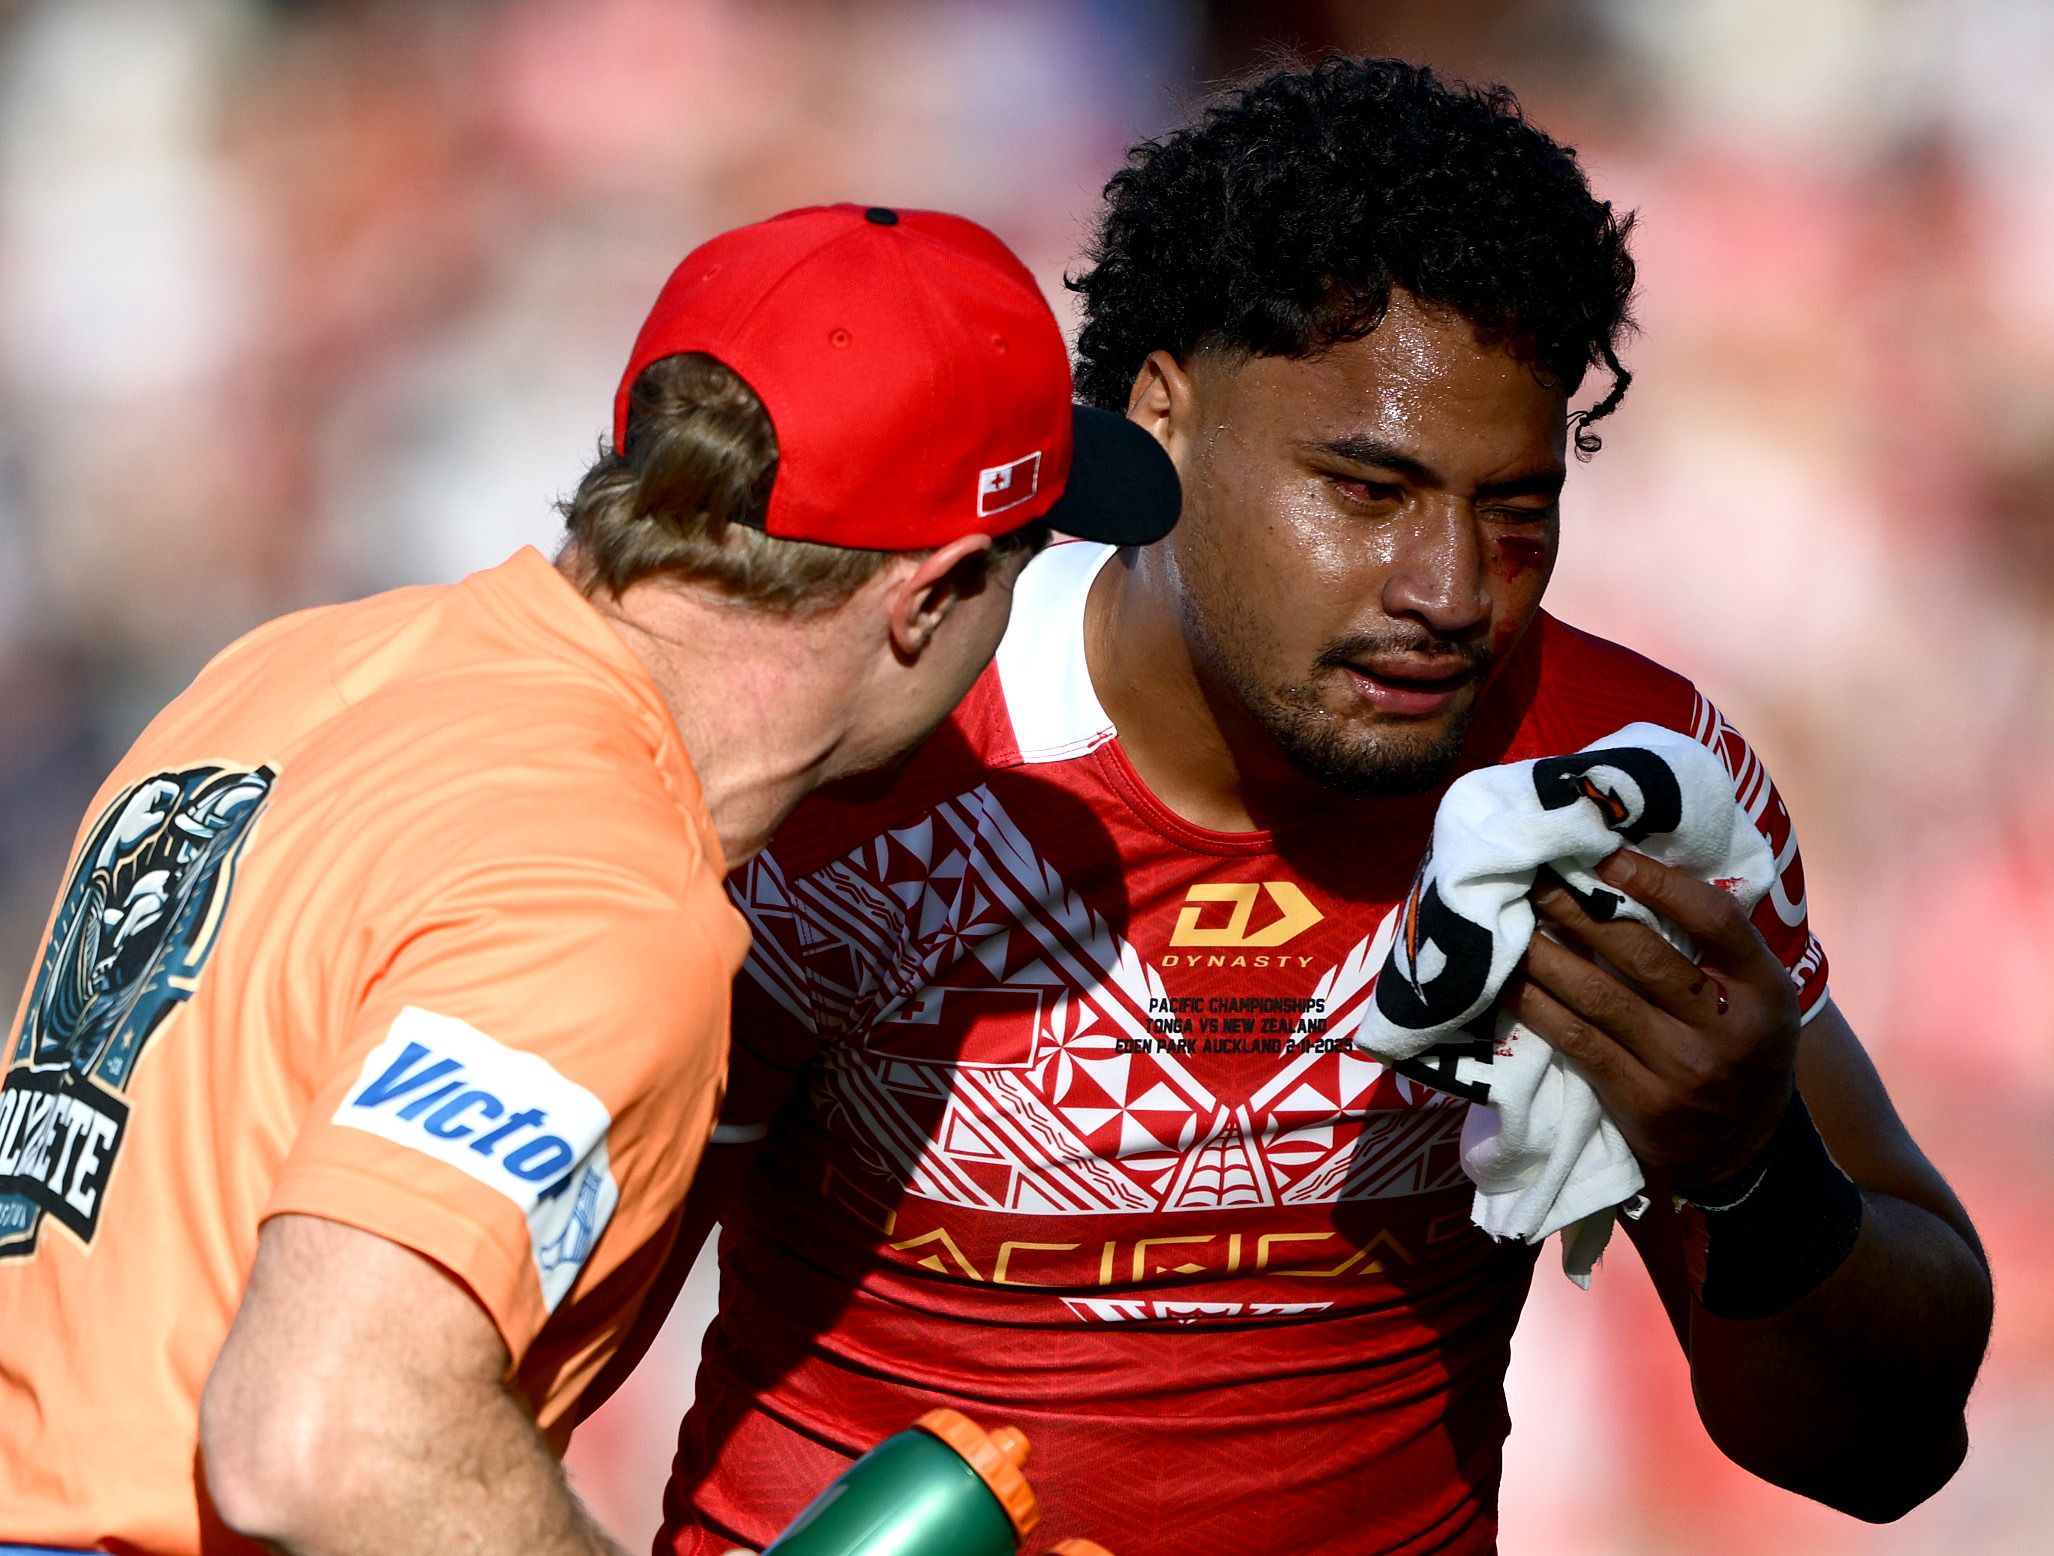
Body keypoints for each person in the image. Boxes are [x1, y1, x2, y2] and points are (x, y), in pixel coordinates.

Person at [655, 62, 1994, 1556]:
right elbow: (480, 1355)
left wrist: (1758, 1178)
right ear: (1159, 415)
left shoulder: (1617, 785)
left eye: (1515, 512)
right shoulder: (867, 773)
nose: (1448, 592)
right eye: (1364, 492)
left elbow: (1884, 1460)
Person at [0, 203, 1179, 1556]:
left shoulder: (284, 672)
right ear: (935, 592)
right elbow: (325, 1436)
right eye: (1024, 564)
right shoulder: (606, 892)